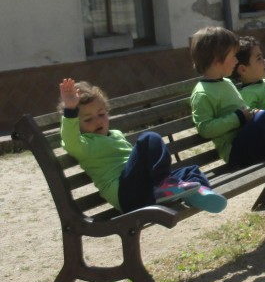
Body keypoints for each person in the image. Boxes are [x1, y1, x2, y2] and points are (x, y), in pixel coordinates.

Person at [58, 78, 226, 214]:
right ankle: (165, 184)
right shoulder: (84, 144)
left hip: (147, 189)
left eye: (101, 114)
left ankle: (199, 193)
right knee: (149, 138)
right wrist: (70, 109)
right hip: (127, 194)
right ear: (76, 125)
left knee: (190, 171)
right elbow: (69, 140)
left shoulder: (115, 134)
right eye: (88, 119)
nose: (97, 121)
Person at [189, 26, 265, 169]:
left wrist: (251, 113)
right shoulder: (202, 93)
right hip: (236, 152)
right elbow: (205, 128)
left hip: (251, 139)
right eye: (233, 56)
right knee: (264, 118)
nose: (236, 61)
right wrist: (238, 117)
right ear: (217, 59)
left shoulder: (226, 82)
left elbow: (241, 109)